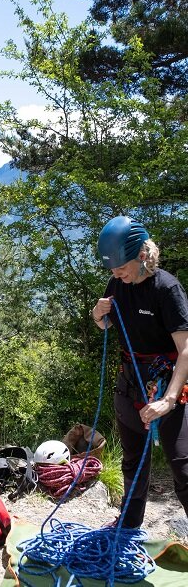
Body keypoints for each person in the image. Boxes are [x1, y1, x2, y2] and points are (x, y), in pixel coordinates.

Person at [92, 215, 188, 528]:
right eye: (112, 269)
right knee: (133, 462)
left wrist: (169, 400)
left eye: (121, 267)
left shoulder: (166, 289)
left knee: (183, 468)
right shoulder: (117, 283)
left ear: (143, 256)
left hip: (167, 384)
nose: (115, 274)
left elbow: (186, 348)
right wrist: (98, 316)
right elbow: (108, 324)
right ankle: (128, 526)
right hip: (130, 383)